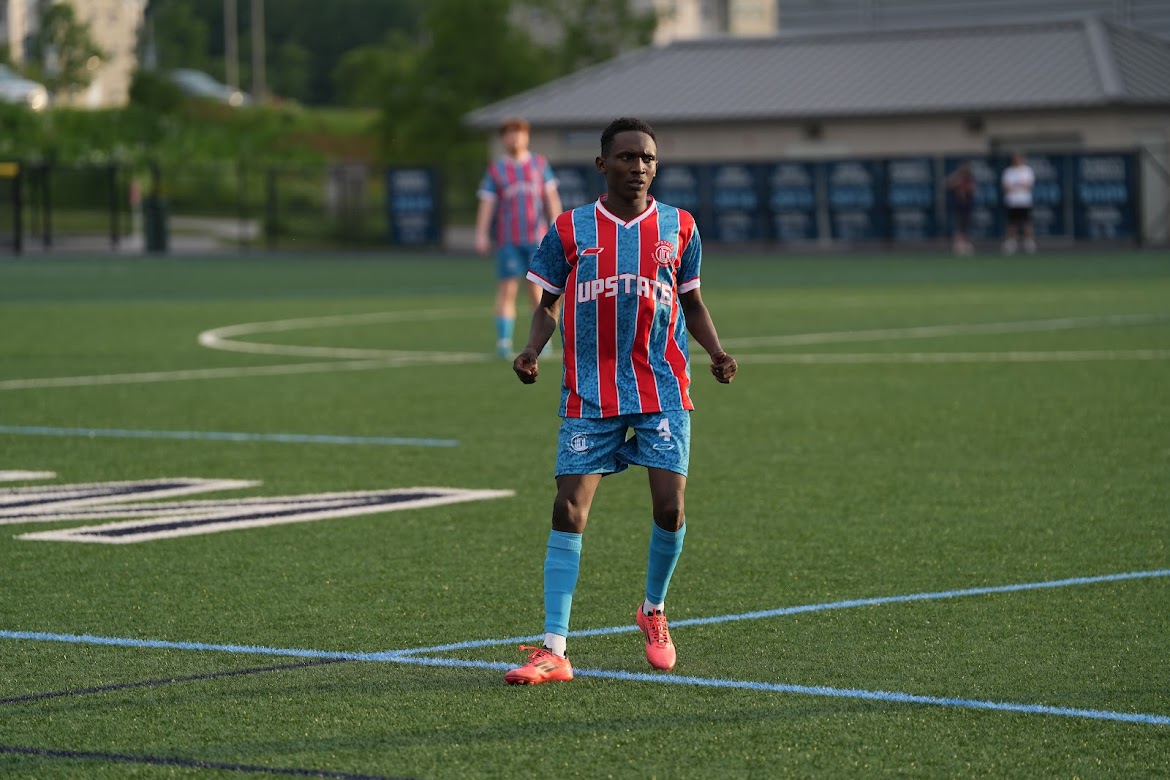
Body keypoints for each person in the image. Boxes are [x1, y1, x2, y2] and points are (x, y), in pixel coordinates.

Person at [503, 117, 739, 685]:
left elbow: (693, 301)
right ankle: (554, 649)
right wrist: (532, 349)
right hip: (590, 391)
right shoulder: (570, 229)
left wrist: (717, 352)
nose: (638, 167)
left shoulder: (680, 227)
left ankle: (653, 610)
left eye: (648, 159)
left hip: (661, 386)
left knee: (669, 509)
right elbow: (546, 303)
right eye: (627, 156)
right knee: (568, 509)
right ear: (602, 164)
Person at [475, 116, 563, 358]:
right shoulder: (497, 169)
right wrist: (481, 233)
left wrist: (558, 229)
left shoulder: (538, 164)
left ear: (527, 136)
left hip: (537, 240)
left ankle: (541, 342)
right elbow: (487, 203)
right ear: (503, 138)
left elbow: (551, 199)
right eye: (509, 133)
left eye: (519, 132)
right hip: (508, 241)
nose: (514, 137)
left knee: (538, 292)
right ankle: (503, 342)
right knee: (507, 290)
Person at [1001, 152, 1036, 255]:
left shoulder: (1027, 170)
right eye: (1015, 159)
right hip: (1012, 202)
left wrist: (1016, 185)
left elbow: (1028, 185)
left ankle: (1029, 243)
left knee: (1026, 222)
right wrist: (1019, 185)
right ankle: (1012, 243)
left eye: (1019, 159)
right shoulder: (1008, 171)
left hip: (1024, 201)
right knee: (1012, 223)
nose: (1017, 161)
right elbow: (1006, 187)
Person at [945, 161, 976, 256]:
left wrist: (965, 188)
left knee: (966, 225)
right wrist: (957, 180)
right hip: (958, 205)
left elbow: (973, 189)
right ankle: (958, 245)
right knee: (958, 225)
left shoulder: (970, 179)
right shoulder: (956, 177)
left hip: (967, 205)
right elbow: (948, 183)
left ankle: (966, 244)